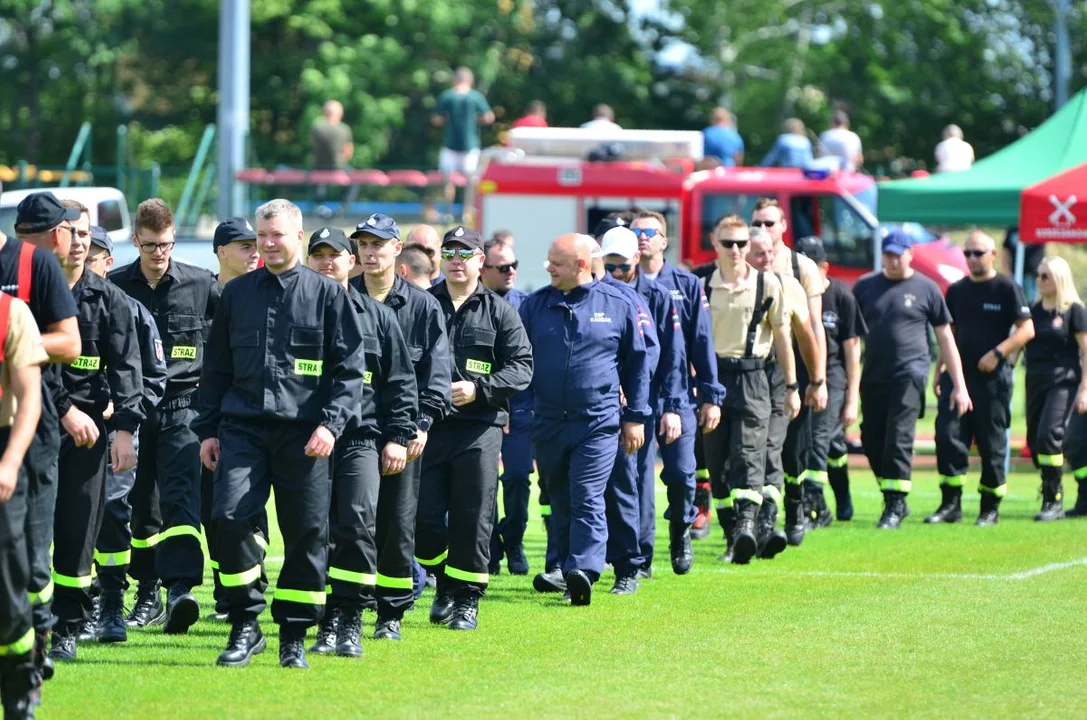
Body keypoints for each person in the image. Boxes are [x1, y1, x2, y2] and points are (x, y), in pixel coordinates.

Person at [195, 199, 366, 669]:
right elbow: (217, 369)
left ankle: (293, 634)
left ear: (298, 237)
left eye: (276, 236)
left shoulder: (330, 295)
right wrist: (207, 429)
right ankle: (245, 624)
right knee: (226, 517)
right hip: (242, 430)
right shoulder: (236, 294)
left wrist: (331, 426)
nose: (267, 244)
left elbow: (349, 372)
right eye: (260, 237)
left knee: (307, 533)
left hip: (306, 435)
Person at [521, 234, 650, 606]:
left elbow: (638, 364)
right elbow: (517, 360)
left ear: (580, 265)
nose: (548, 268)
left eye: (556, 263)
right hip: (547, 421)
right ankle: (567, 567)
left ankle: (585, 570)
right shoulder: (535, 306)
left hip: (598, 421)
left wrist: (636, 417)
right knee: (558, 497)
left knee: (588, 495)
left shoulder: (617, 304)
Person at [305, 227, 416, 657]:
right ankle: (322, 621)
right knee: (314, 531)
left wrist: (397, 436)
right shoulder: (294, 311)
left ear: (351, 262)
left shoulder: (379, 316)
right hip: (308, 441)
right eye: (319, 255)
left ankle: (348, 619)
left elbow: (401, 384)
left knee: (356, 524)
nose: (328, 262)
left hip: (361, 439)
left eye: (336, 255)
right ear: (308, 260)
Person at [109, 199, 219, 633]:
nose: (160, 253)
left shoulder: (200, 284)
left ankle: (181, 589)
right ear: (136, 240)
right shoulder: (116, 287)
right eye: (151, 245)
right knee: (141, 508)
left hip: (182, 408)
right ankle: (148, 589)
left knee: (181, 500)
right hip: (132, 411)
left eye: (167, 244)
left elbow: (228, 338)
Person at [417, 226, 532, 630]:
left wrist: (480, 389)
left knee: (473, 517)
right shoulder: (421, 304)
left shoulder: (500, 310)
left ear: (480, 261)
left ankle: (466, 600)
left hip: (479, 428)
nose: (456, 259)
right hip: (428, 427)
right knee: (422, 520)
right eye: (449, 252)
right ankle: (445, 578)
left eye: (465, 253)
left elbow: (522, 367)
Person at [45, 201, 143, 662]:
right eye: (72, 232)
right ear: (54, 237)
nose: (80, 241)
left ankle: (67, 626)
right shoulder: (28, 293)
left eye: (86, 233)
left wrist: (125, 430)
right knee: (25, 529)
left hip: (88, 436)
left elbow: (128, 370)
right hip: (31, 427)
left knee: (78, 531)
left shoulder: (111, 300)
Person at [351, 212, 451, 640]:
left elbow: (436, 375)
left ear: (397, 249)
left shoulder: (423, 307)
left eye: (378, 244)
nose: (370, 252)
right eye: (364, 244)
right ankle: (347, 609)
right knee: (348, 524)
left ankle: (390, 614)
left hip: (400, 436)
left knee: (396, 524)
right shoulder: (340, 297)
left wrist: (420, 426)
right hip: (348, 432)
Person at [6, 190, 82, 683]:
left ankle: (37, 641)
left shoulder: (35, 265)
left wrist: (12, 344)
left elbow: (70, 343)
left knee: (30, 547)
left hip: (31, 424)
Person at [853, 229, 971, 529]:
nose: (893, 261)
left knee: (898, 438)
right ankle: (892, 493)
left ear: (910, 255)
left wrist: (959, 384)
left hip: (910, 373)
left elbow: (945, 337)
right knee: (871, 438)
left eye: (898, 254)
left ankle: (895, 504)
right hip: (874, 376)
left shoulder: (926, 288)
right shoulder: (865, 287)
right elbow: (851, 339)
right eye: (888, 255)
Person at [84, 226, 167, 643]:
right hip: (65, 430)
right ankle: (77, 604)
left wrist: (124, 415)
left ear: (108, 261)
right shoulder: (51, 304)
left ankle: (111, 603)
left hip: (116, 432)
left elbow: (154, 376)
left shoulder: (130, 310)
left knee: (114, 514)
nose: (88, 261)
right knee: (70, 521)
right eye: (84, 252)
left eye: (96, 254)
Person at [702, 216, 796, 564]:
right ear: (716, 243)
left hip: (753, 377)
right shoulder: (702, 284)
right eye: (729, 243)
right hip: (713, 379)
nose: (737, 250)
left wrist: (792, 386)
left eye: (742, 244)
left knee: (749, 454)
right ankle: (733, 535)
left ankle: (747, 526)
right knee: (715, 461)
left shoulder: (766, 284)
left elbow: (783, 337)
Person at [600, 226, 691, 579]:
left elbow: (672, 355)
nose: (615, 274)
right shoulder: (597, 293)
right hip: (606, 398)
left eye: (621, 267)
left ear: (637, 259)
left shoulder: (658, 295)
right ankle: (612, 550)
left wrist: (671, 406)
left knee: (639, 479)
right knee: (605, 480)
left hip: (643, 400)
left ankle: (642, 558)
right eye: (608, 267)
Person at [631, 212, 725, 549]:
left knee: (683, 474)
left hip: (678, 393)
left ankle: (680, 529)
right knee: (638, 478)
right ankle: (640, 553)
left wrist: (712, 395)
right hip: (636, 397)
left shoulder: (686, 284)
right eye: (635, 232)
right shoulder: (622, 283)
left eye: (649, 231)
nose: (642, 237)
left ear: (664, 241)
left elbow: (701, 342)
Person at [928, 231, 1034, 526]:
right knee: (948, 437)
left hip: (992, 380)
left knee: (991, 443)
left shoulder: (1006, 287)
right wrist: (940, 370)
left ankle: (990, 506)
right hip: (958, 378)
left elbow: (1027, 330)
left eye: (978, 253)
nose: (972, 259)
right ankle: (951, 504)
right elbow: (948, 334)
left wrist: (997, 354)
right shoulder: (957, 290)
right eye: (968, 253)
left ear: (993, 255)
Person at [751, 198, 827, 539]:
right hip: (754, 370)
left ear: (783, 226)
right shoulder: (743, 266)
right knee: (761, 445)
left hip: (791, 370)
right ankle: (763, 519)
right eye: (758, 223)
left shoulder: (800, 268)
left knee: (793, 448)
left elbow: (813, 330)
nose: (763, 230)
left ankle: (794, 507)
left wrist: (818, 379)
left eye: (769, 223)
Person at [203, 218, 266, 623]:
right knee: (215, 509)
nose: (254, 251)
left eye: (255, 244)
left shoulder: (263, 294)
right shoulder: (202, 294)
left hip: (252, 422)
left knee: (248, 511)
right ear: (221, 251)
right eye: (244, 245)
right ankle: (227, 595)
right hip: (211, 419)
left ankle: (251, 590)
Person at [0, 288, 47, 719]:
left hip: (4, 452)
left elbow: (29, 397)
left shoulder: (10, 313)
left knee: (7, 584)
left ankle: (18, 681)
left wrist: (10, 463)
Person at [795, 236, 866, 523]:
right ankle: (843, 494)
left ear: (824, 266)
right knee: (833, 445)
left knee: (818, 439)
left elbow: (852, 351)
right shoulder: (792, 294)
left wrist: (851, 400)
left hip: (833, 380)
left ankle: (815, 506)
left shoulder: (841, 295)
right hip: (802, 378)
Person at [480, 238, 534, 576]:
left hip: (521, 409)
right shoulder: (468, 303)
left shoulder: (527, 306)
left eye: (514, 265)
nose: (511, 272)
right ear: (483, 269)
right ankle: (488, 548)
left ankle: (513, 538)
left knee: (517, 477)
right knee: (482, 484)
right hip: (480, 408)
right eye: (502, 267)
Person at [1022, 256, 1086, 521]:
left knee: (1049, 435)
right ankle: (1084, 495)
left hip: (1064, 382)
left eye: (1045, 276)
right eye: (1038, 275)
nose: (1039, 280)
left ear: (1059, 278)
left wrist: (1085, 389)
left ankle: (1053, 498)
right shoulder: (1032, 310)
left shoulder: (1074, 311)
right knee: (1035, 442)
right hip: (1035, 380)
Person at [432, 67, 495, 215]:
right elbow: (489, 117)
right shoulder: (475, 97)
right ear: (470, 80)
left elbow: (436, 119)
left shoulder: (447, 96)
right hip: (470, 145)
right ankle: (467, 212)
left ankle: (447, 212)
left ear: (455, 80)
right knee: (471, 182)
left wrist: (447, 118)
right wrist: (476, 118)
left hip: (450, 145)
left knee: (448, 181)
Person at [309, 100, 354, 170]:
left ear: (324, 112)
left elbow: (312, 148)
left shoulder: (315, 128)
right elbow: (348, 153)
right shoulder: (344, 129)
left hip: (318, 168)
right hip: (339, 169)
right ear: (340, 114)